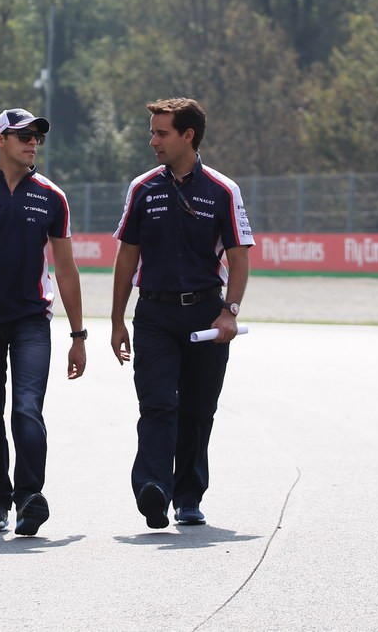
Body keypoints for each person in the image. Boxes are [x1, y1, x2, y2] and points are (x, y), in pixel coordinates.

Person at [0, 108, 88, 537]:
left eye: (37, 136)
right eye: (23, 135)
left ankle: (29, 498)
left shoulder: (51, 196)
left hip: (31, 322)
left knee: (27, 411)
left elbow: (65, 269)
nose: (32, 142)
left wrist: (78, 335)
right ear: (0, 140)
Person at [109, 97, 254, 529]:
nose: (152, 140)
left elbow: (240, 258)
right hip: (153, 314)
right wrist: (117, 319)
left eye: (161, 132)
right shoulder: (143, 188)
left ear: (187, 136)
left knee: (197, 411)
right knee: (156, 405)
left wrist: (230, 311)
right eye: (152, 131)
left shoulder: (223, 190)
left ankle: (189, 497)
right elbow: (126, 259)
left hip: (206, 316)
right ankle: (153, 487)